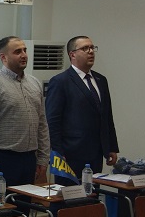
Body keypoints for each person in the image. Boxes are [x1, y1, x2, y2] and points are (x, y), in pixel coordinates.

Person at [0, 36, 50, 187]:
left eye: (24, 50)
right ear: (4, 57)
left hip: (30, 158)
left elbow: (42, 124)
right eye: (17, 52)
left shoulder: (34, 83)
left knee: (27, 201)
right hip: (4, 159)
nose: (24, 55)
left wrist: (43, 158)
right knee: (5, 201)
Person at [46, 35, 119, 182]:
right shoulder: (60, 81)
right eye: (85, 48)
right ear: (72, 54)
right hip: (70, 153)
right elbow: (53, 120)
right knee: (69, 194)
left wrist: (111, 146)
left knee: (92, 193)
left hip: (96, 152)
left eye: (92, 48)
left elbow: (106, 115)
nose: (91, 51)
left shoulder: (101, 80)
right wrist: (58, 152)